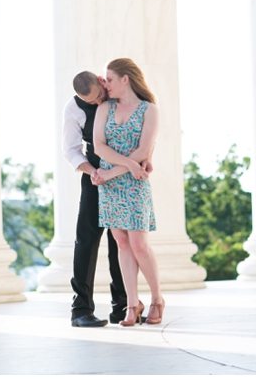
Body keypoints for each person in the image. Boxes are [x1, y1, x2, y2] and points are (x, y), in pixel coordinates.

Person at [62, 71, 153, 327]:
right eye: (90, 101)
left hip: (124, 174)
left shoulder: (117, 96)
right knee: (87, 240)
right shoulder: (73, 109)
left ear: (103, 82)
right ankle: (80, 311)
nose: (96, 104)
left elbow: (144, 131)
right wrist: (94, 173)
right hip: (95, 174)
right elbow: (70, 150)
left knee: (121, 242)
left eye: (98, 97)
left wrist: (145, 159)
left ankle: (123, 306)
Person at [91, 58, 165, 326]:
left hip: (133, 183)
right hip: (113, 184)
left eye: (109, 79)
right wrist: (130, 165)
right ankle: (132, 305)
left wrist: (114, 171)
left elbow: (144, 151)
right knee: (121, 242)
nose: (105, 84)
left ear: (125, 79)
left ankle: (157, 299)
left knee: (138, 244)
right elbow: (99, 147)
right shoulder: (105, 107)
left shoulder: (149, 110)